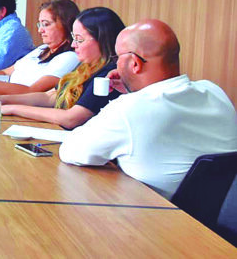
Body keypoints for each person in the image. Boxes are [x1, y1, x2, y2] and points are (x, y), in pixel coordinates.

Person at [60, 20, 237, 199]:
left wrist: (133, 96)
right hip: (205, 221)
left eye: (117, 58)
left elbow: (72, 151)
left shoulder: (130, 108)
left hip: (151, 220)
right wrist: (135, 88)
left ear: (135, 63)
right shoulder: (214, 92)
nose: (116, 65)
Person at [0, 7, 124, 129]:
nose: (74, 45)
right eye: (74, 38)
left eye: (79, 40)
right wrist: (1, 100)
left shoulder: (108, 74)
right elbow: (50, 96)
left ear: (102, 40)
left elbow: (71, 118)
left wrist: (12, 108)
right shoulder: (86, 65)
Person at [0, 0, 79, 95]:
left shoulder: (69, 57)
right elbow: (6, 73)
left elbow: (32, 91)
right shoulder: (42, 49)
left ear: (66, 25)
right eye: (40, 24)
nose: (40, 30)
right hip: (3, 98)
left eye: (46, 24)